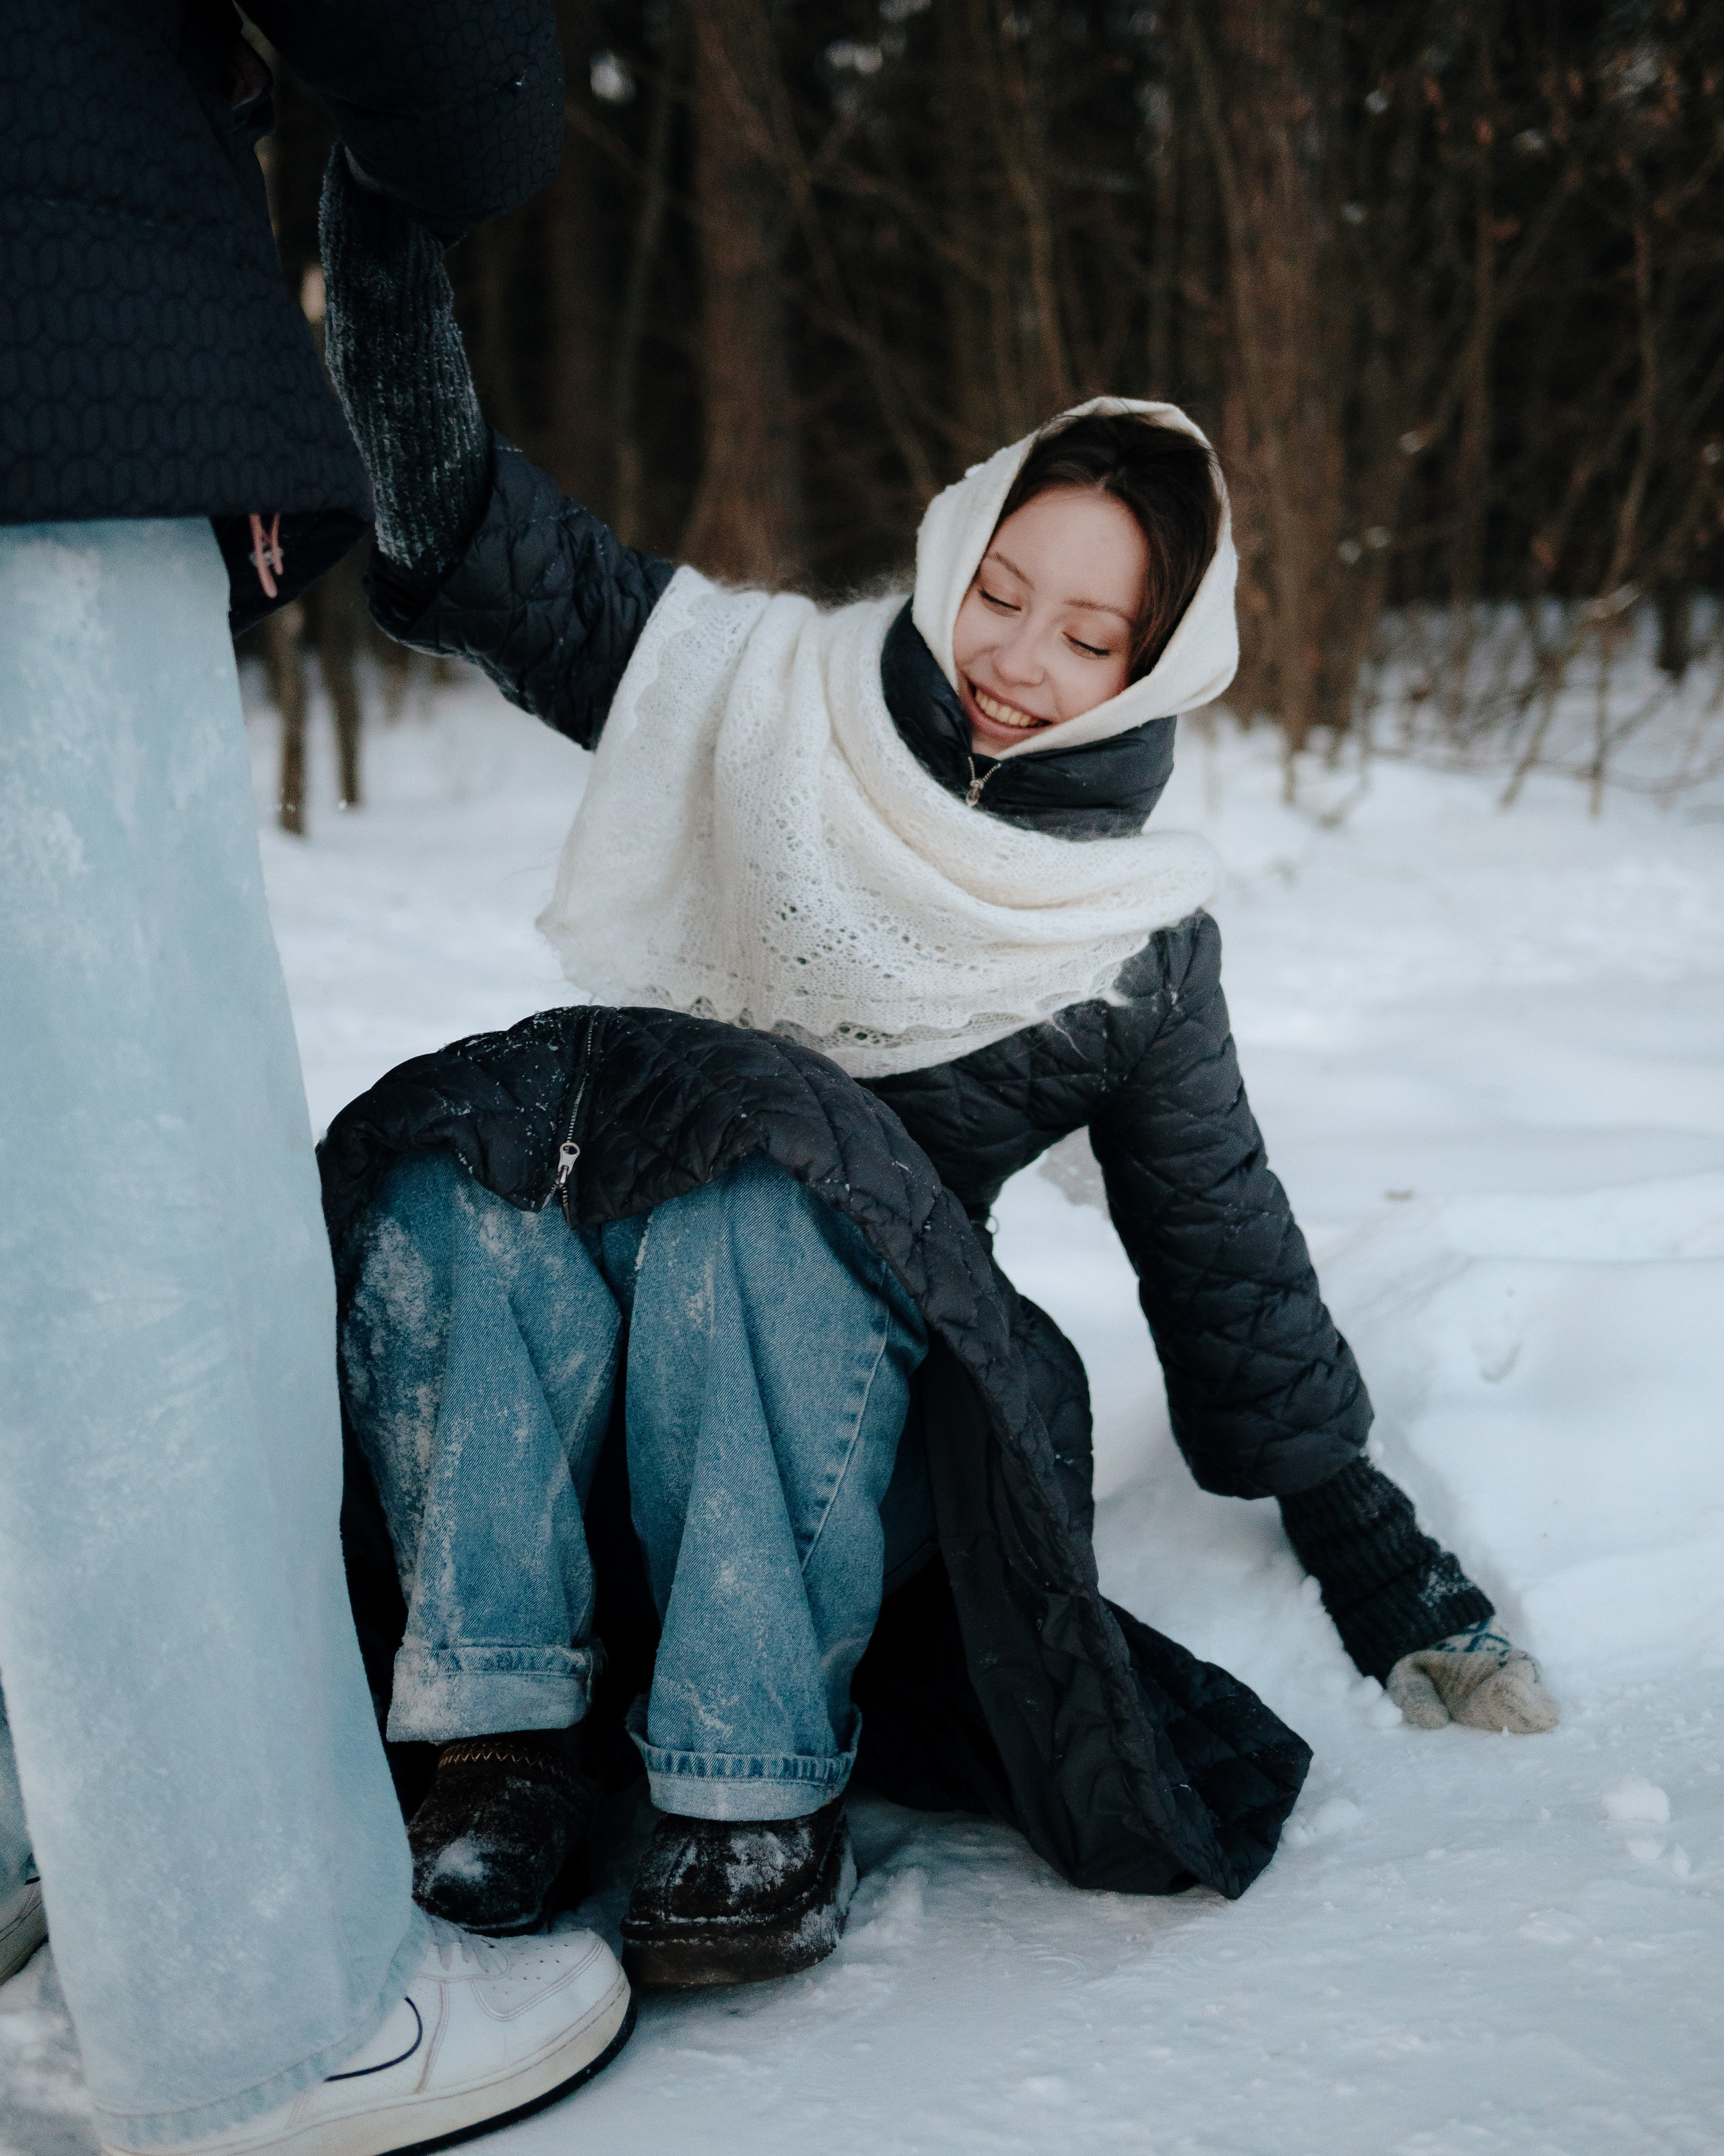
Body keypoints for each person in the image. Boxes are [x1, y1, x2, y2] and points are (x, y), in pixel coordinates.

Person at [312, 153, 1560, 1989]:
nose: (1020, 659)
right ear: (956, 545)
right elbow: (479, 539)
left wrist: (1364, 1537)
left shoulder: (1130, 943)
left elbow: (1220, 1252)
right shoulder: (759, 697)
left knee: (761, 1194)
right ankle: (501, 1734)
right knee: (474, 1158)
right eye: (1006, 590)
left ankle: (752, 1790)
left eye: (1090, 635)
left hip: (844, 1466)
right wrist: (384, 220)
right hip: (573, 1430)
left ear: (1153, 671)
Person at [0, 6, 635, 2151]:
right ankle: (262, 2007)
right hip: (35, 374)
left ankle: (36, 1835)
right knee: (123, 1228)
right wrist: (471, 114)